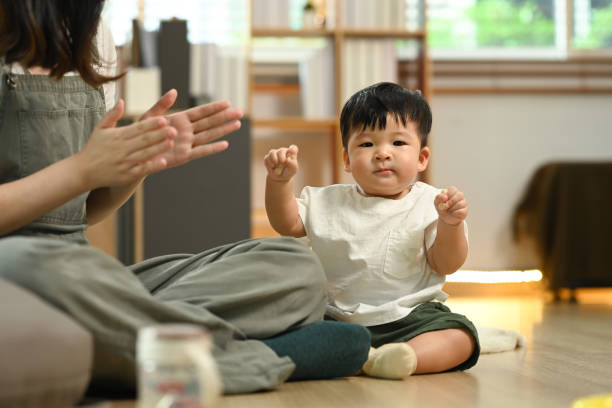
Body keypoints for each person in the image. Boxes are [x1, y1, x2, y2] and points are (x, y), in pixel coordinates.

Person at [0, 0, 371, 397]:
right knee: (25, 261)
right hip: (17, 270)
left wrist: (136, 163)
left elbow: (84, 212)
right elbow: (78, 180)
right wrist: (83, 169)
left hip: (87, 278)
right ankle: (258, 357)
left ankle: (115, 351)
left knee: (296, 266)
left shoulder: (92, 34)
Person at [264, 82, 480, 379]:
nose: (382, 153)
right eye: (367, 144)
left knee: (460, 336)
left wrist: (450, 224)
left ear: (421, 159)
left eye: (398, 143)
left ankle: (404, 358)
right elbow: (286, 223)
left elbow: (447, 263)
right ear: (347, 160)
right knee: (287, 324)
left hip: (411, 317)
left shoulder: (432, 204)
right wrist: (279, 183)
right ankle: (353, 353)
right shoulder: (328, 201)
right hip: (337, 316)